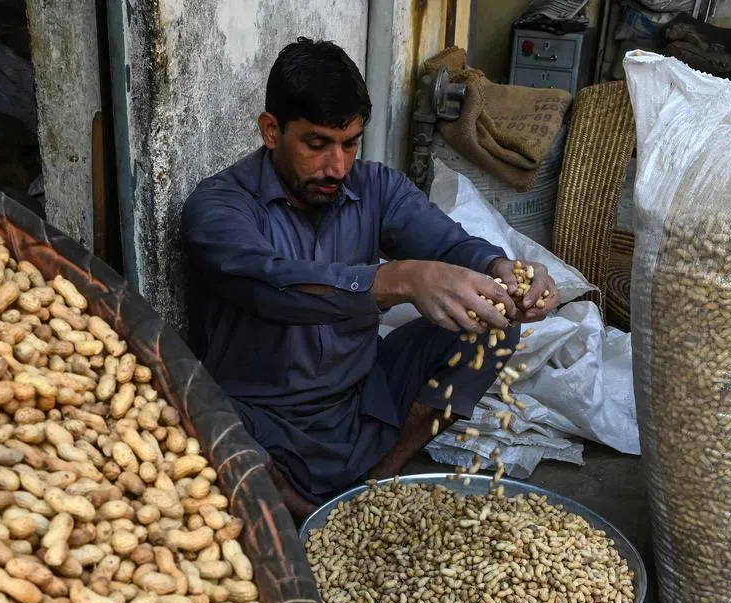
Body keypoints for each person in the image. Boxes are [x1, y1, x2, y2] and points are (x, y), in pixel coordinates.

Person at [180, 37, 559, 521]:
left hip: (360, 404)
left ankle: (381, 476)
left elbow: (448, 245)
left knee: (492, 320)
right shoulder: (218, 207)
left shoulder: (375, 186)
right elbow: (272, 286)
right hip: (260, 422)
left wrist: (498, 269)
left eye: (350, 144)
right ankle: (308, 512)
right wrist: (398, 279)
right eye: (316, 144)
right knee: (192, 431)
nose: (336, 166)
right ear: (271, 131)